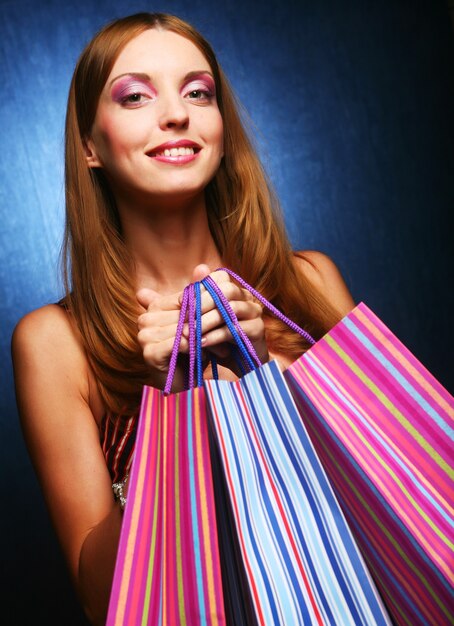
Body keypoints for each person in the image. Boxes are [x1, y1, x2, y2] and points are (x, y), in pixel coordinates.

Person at [11, 12, 355, 625]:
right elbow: (99, 599)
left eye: (198, 92)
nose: (177, 114)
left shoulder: (310, 283)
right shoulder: (54, 343)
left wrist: (262, 375)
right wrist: (175, 400)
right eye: (136, 96)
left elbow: (393, 490)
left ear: (221, 129)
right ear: (89, 145)